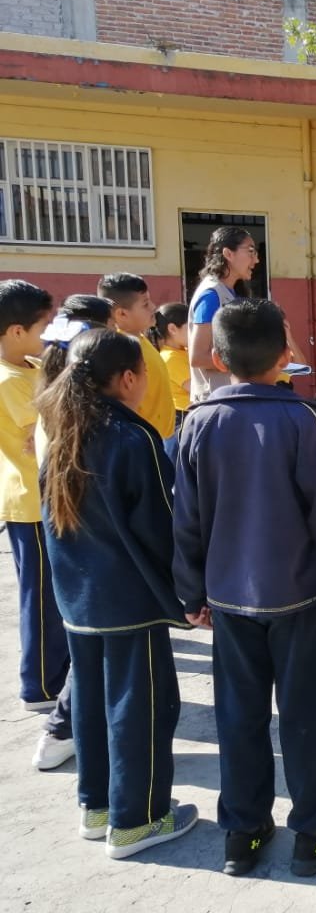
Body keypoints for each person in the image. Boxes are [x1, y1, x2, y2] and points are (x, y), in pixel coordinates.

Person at [173, 299, 316, 878]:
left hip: (229, 598)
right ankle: (313, 833)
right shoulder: (306, 419)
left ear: (217, 357)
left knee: (239, 715)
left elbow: (185, 520)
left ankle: (244, 834)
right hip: (299, 595)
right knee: (307, 716)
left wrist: (191, 595)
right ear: (286, 355)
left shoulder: (199, 421)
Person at [36, 329, 198, 856]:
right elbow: (161, 526)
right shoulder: (134, 441)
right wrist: (189, 595)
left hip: (78, 601)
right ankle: (138, 818)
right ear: (128, 379)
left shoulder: (63, 433)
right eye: (144, 372)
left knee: (88, 702)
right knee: (142, 707)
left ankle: (98, 805)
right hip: (129, 602)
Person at [27, 295, 114, 773]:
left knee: (90, 648)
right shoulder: (87, 422)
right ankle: (62, 729)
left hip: (74, 551)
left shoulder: (55, 397)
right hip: (93, 557)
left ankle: (67, 729)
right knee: (96, 653)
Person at [0, 281, 68, 714]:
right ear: (16, 331)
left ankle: (52, 674)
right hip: (29, 502)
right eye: (44, 327)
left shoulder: (27, 366)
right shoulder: (11, 381)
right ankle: (40, 686)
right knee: (41, 598)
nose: (49, 336)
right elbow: (43, 433)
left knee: (50, 594)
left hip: (37, 498)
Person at [97, 273, 175, 440]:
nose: (154, 306)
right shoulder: (119, 350)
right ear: (121, 314)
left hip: (161, 438)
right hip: (143, 440)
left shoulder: (140, 338)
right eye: (145, 304)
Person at [189, 226, 257, 403]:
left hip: (231, 396)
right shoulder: (211, 295)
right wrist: (247, 363)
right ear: (228, 253)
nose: (256, 259)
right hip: (215, 400)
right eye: (250, 251)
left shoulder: (230, 292)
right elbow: (197, 357)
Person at [149, 302, 190, 439]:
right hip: (183, 418)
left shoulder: (181, 352)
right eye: (190, 327)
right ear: (172, 329)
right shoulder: (170, 358)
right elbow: (195, 388)